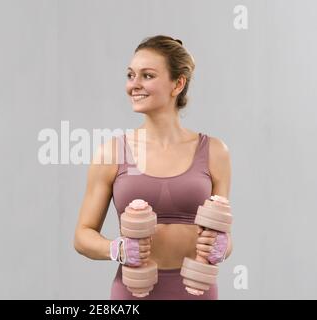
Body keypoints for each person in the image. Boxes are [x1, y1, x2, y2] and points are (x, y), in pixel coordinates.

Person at [73, 35, 233, 300]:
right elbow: (82, 235)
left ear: (177, 84)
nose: (133, 85)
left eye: (147, 76)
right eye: (130, 75)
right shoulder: (113, 152)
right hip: (132, 293)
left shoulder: (215, 151)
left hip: (197, 291)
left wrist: (223, 246)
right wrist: (117, 249)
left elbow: (222, 236)